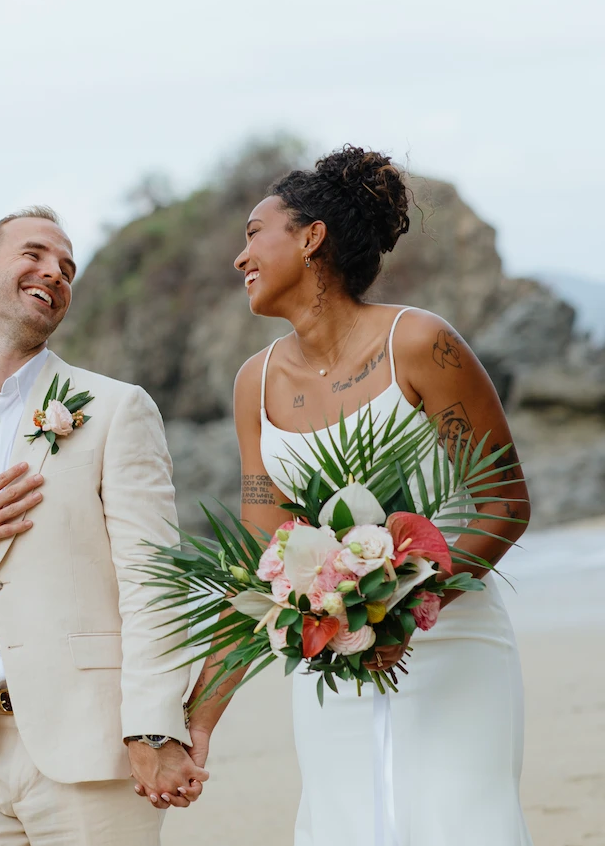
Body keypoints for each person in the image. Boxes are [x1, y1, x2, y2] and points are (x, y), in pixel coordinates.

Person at [186, 146, 534, 845]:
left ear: (311, 236)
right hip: (332, 662)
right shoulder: (252, 385)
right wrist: (198, 715)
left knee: (461, 823)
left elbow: (502, 501)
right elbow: (265, 553)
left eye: (255, 232)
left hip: (449, 647)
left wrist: (398, 609)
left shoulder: (420, 343)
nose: (239, 256)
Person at [0, 206, 207, 846]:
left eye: (68, 268)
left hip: (94, 748)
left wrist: (152, 727)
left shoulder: (116, 410)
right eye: (34, 254)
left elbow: (154, 582)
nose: (55, 272)